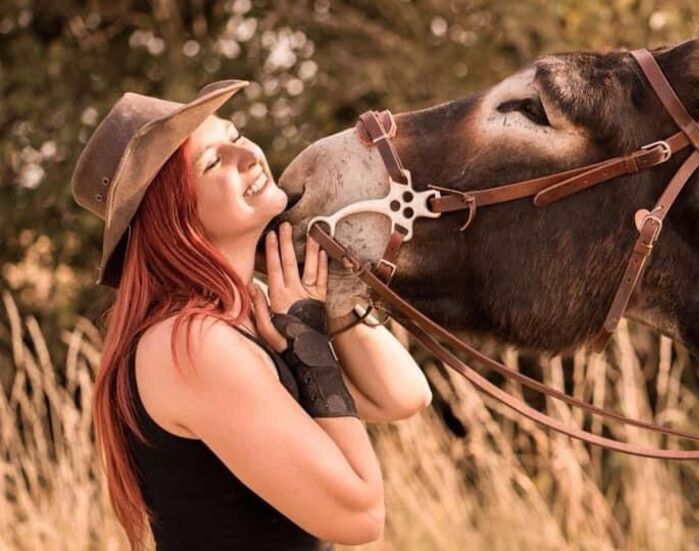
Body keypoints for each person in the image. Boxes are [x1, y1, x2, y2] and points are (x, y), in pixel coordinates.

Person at [70, 80, 432, 551]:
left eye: (235, 135)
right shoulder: (192, 345)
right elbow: (360, 516)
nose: (247, 155)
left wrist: (324, 306)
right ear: (174, 216)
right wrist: (308, 347)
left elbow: (403, 395)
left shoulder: (249, 310)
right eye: (213, 161)